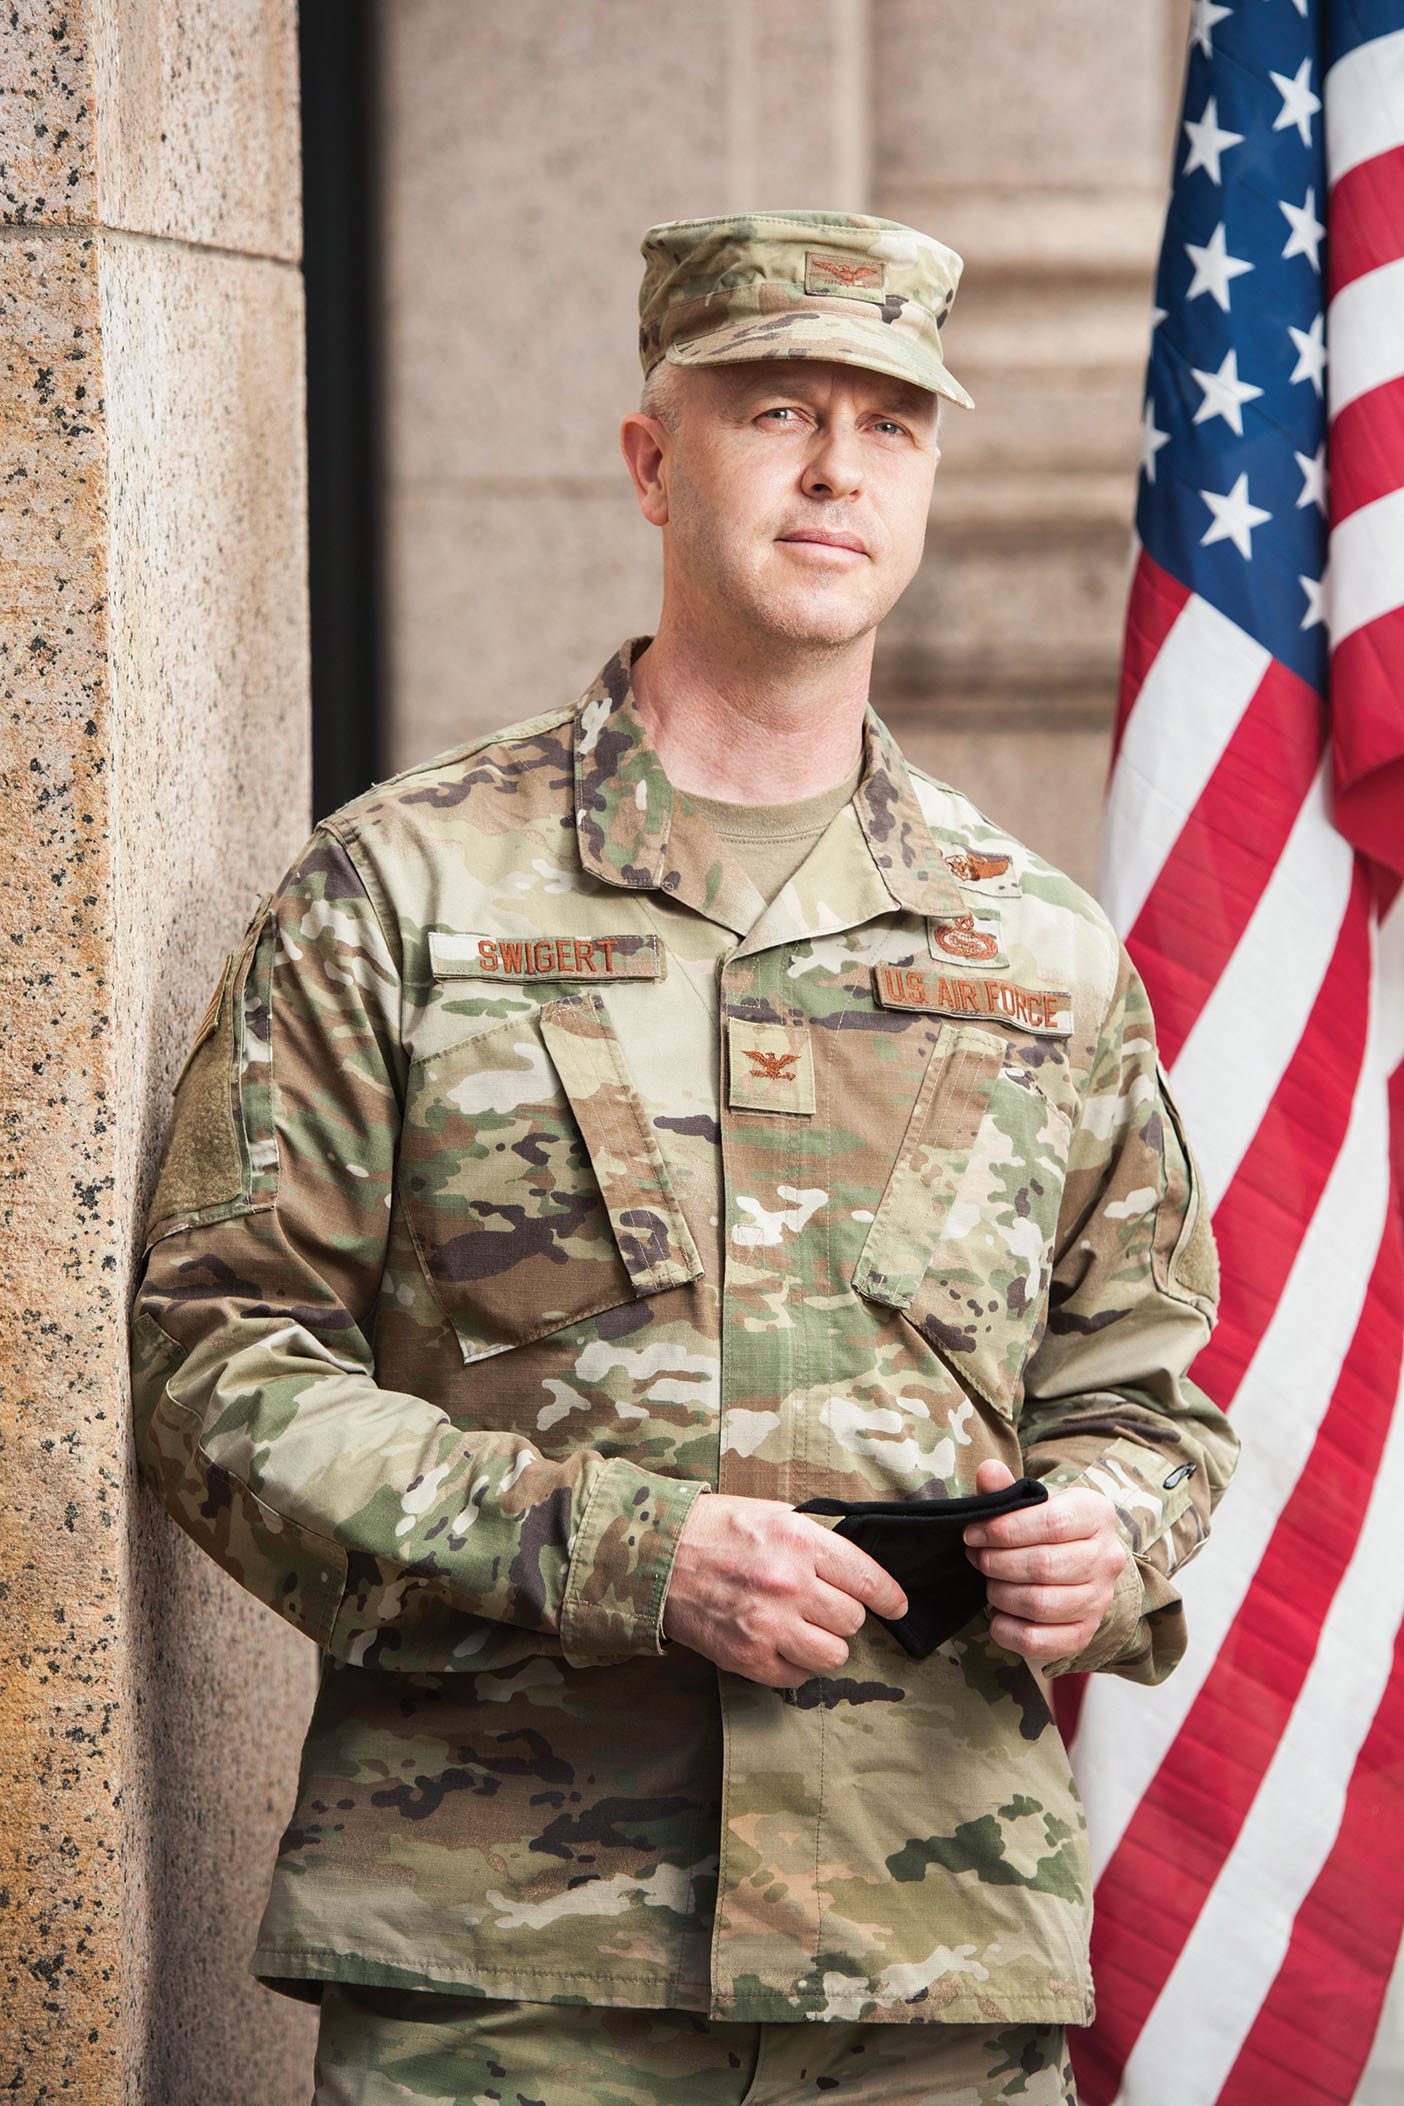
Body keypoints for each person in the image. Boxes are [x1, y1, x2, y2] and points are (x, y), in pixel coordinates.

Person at [129, 211, 1238, 2105]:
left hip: (930, 1974)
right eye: (780, 410)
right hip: (508, 1977)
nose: (836, 470)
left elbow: (1152, 1401)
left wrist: (1109, 1536)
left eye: (891, 425)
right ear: (655, 460)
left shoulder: (1040, 953)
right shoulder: (401, 892)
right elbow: (218, 1368)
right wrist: (627, 1548)